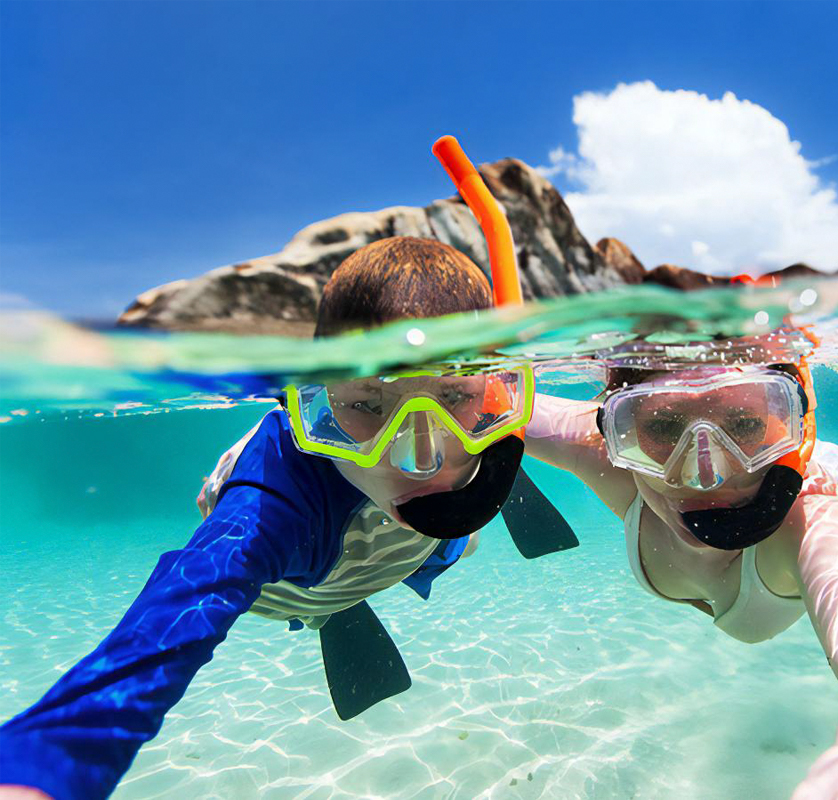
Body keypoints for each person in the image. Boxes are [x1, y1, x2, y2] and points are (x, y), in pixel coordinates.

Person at [0, 139, 561, 800]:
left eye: (455, 398)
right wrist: (42, 773)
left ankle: (368, 585)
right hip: (288, 583)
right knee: (428, 528)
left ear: (495, 389)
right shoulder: (272, 506)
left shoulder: (491, 423)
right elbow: (176, 613)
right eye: (364, 405)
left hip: (391, 554)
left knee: (451, 529)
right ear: (316, 400)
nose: (418, 455)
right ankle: (332, 614)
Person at [526, 342, 838, 798]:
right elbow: (493, 402)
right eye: (667, 428)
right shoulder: (605, 454)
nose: (704, 475)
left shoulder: (817, 523)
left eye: (743, 424)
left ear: (793, 423)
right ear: (618, 433)